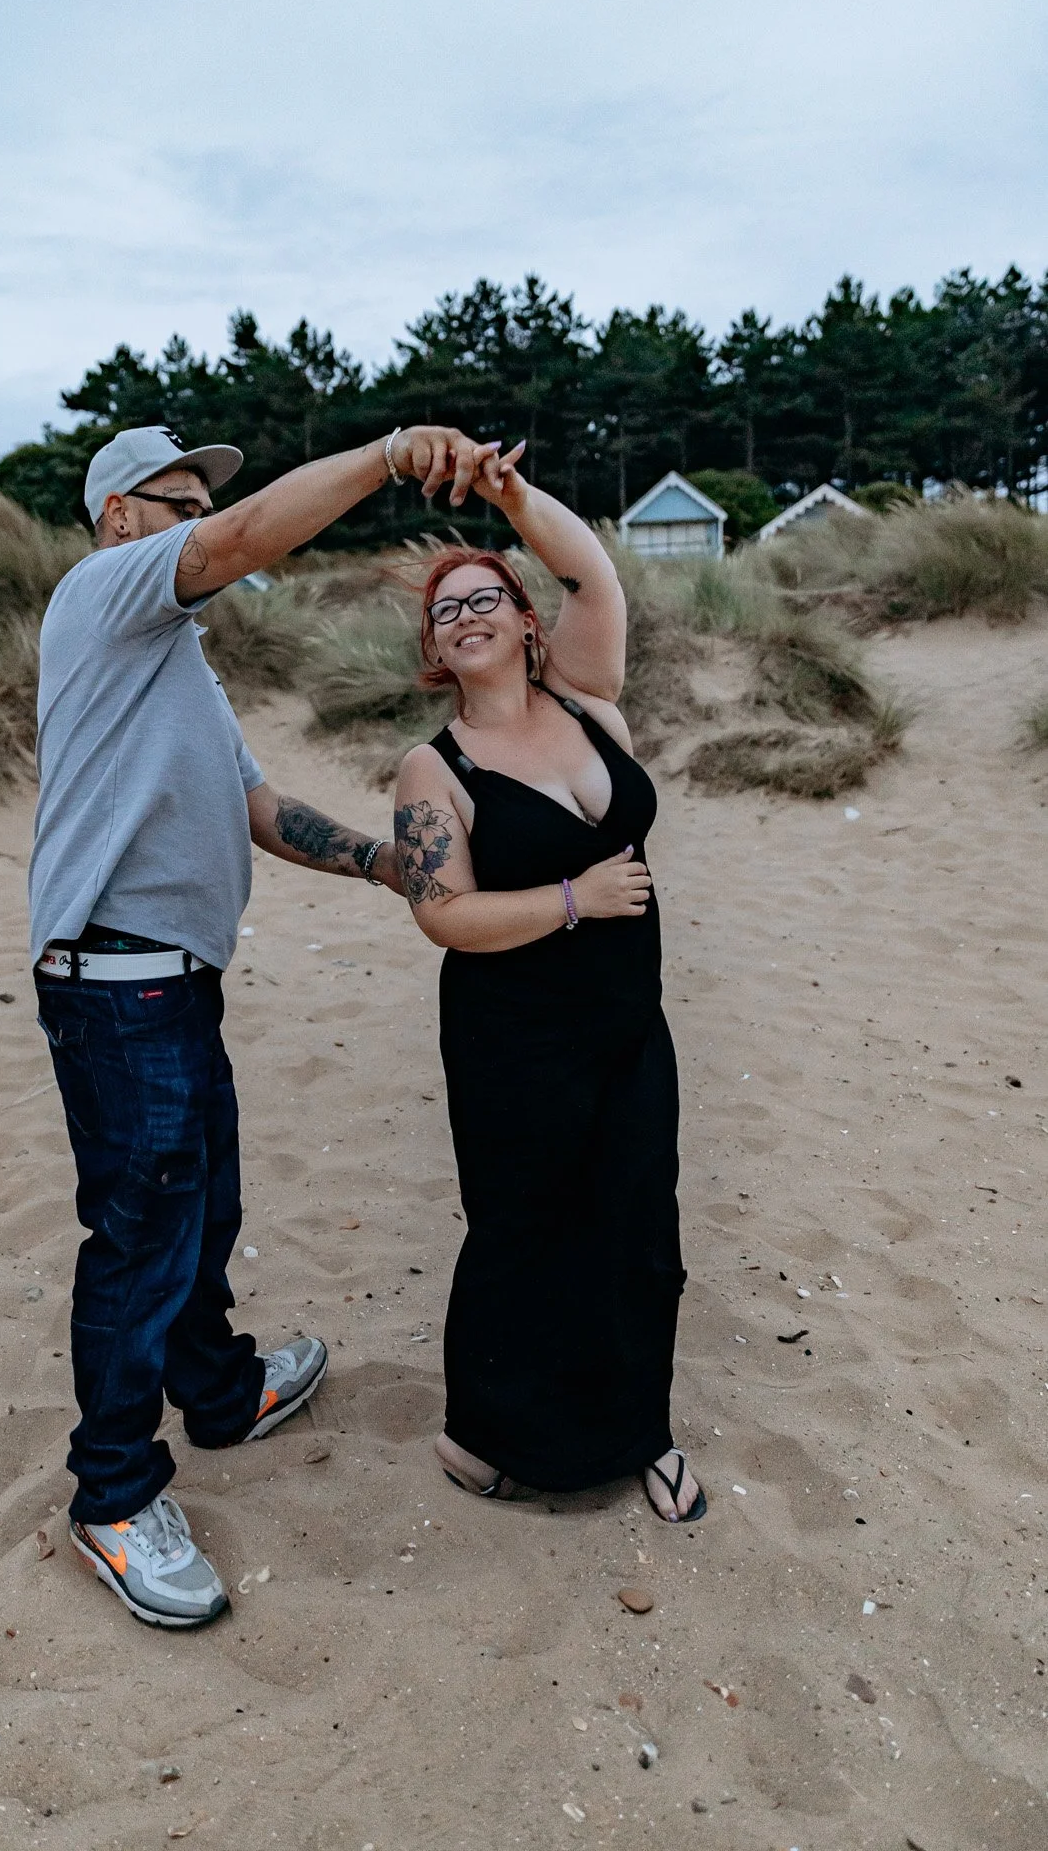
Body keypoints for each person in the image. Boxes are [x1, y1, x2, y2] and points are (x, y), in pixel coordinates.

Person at [29, 419, 500, 1629]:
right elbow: (243, 538)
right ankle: (114, 1495)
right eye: (172, 497)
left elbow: (258, 805)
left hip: (169, 977)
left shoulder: (176, 658)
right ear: (118, 516)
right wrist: (392, 454)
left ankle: (222, 1390)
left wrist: (385, 864)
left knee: (201, 1201)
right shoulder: (103, 594)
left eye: (202, 498)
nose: (196, 515)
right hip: (115, 976)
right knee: (140, 1230)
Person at [392, 445, 705, 1524]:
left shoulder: (590, 706)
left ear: (527, 623)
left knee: (636, 1228)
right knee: (524, 1233)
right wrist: (575, 899)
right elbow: (443, 912)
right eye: (446, 612)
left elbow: (596, 579)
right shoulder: (436, 768)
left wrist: (508, 496)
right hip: (512, 1039)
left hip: (627, 1028)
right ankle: (488, 1433)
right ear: (432, 649)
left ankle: (643, 1435)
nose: (468, 615)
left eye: (487, 598)